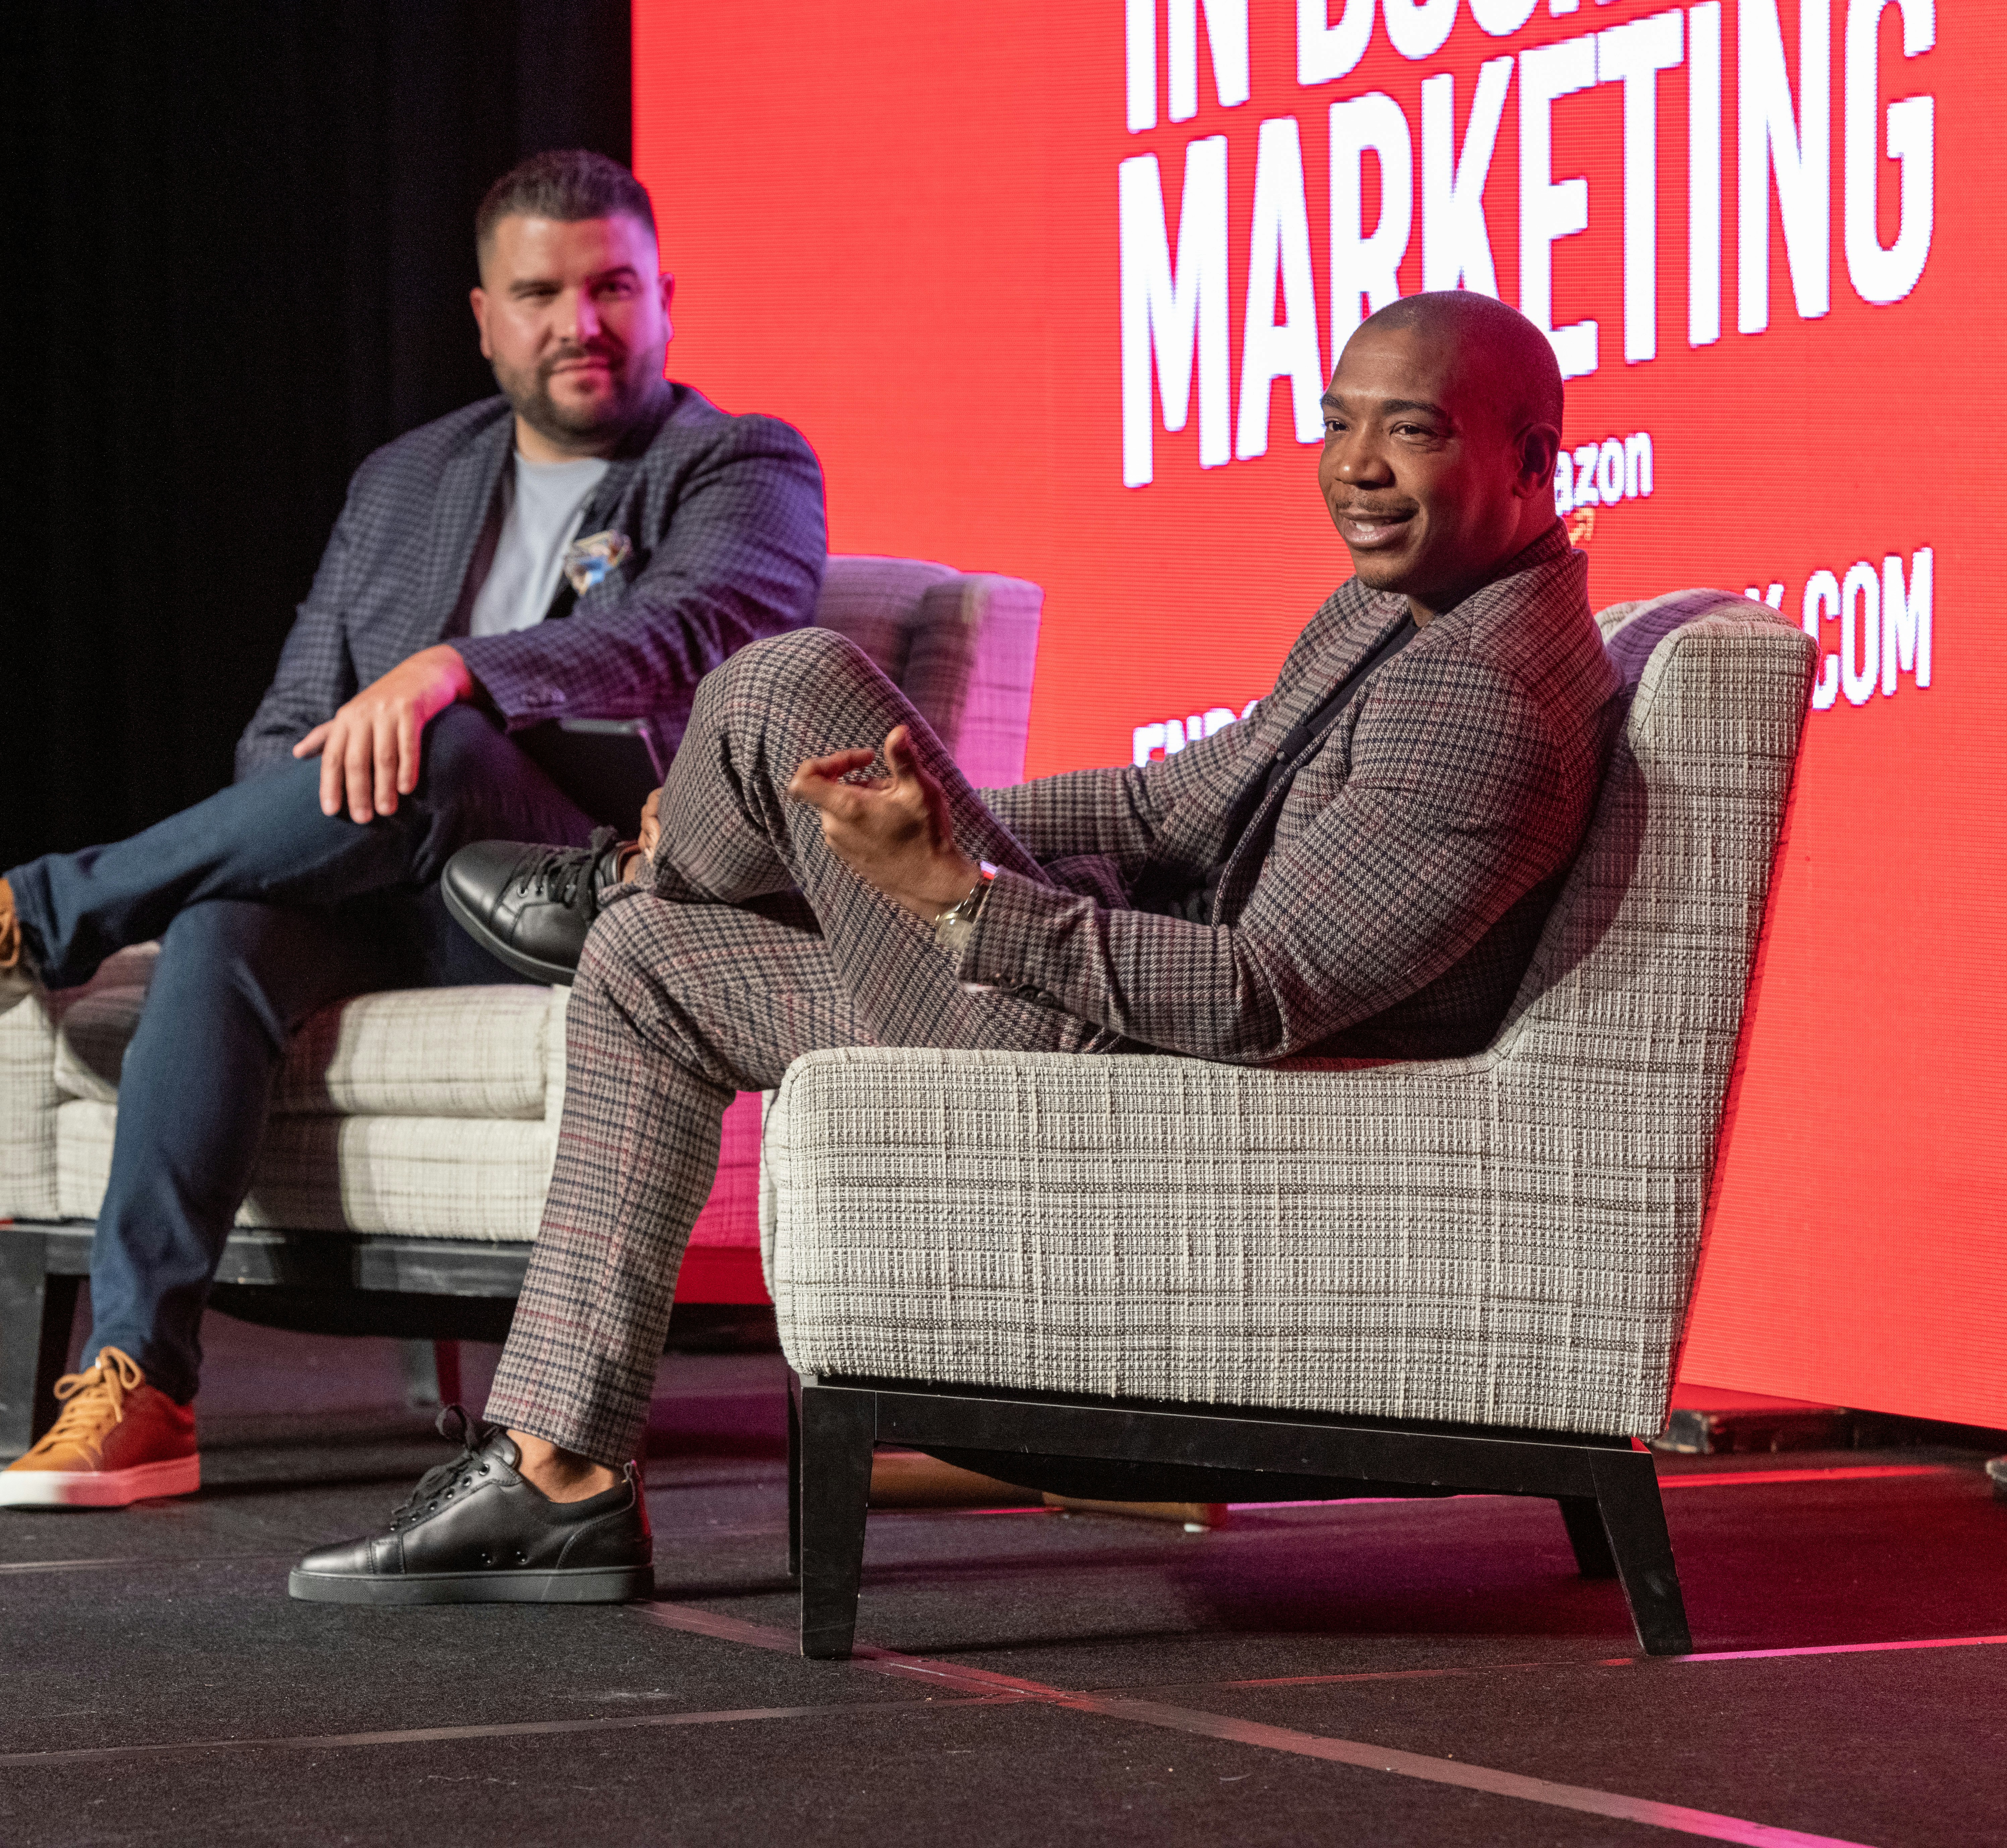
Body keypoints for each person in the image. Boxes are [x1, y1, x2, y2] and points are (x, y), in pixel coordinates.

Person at [282, 290, 1623, 1607]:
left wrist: (971, 897)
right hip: (1133, 1030)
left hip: (1164, 1090)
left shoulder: (1484, 702)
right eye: (1338, 424)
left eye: (1414, 432)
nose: (1358, 469)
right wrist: (899, 832)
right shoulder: (1407, 610)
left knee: (790, 679)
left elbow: (1259, 994)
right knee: (647, 963)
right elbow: (1172, 804)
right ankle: (556, 1469)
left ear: (1528, 458)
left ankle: (639, 862)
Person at [0, 150, 828, 1510]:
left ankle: (24, 920)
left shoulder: (740, 462)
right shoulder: (407, 480)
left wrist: (458, 667)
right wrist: (295, 820)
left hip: (589, 890)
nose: (582, 322)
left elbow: (691, 632)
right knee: (224, 925)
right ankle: (139, 1380)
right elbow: (288, 720)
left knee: (444, 738)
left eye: (614, 286)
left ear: (665, 299)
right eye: (542, 292)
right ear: (483, 316)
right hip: (389, 877)